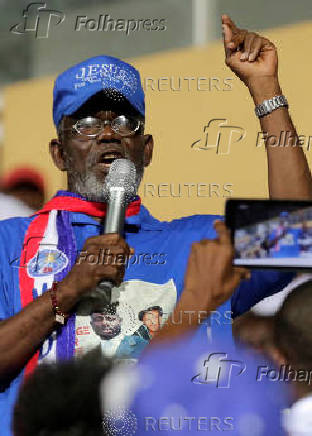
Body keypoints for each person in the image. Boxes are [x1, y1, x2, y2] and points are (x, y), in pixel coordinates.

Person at [0, 14, 311, 436]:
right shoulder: (9, 243)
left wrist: (265, 89)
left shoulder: (202, 243)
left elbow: (297, 232)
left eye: (124, 121)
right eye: (87, 123)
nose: (108, 132)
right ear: (59, 153)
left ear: (145, 151)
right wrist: (69, 289)